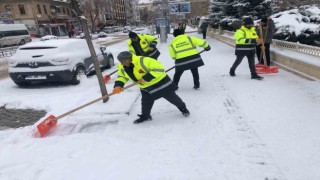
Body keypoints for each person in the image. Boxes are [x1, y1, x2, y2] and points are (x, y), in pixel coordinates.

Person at [112, 51, 190, 124]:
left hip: (160, 83)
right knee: (146, 102)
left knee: (172, 98)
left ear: (128, 59)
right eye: (121, 62)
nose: (122, 63)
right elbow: (122, 76)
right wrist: (118, 85)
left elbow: (159, 69)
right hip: (146, 87)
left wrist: (145, 78)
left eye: (123, 62)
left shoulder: (144, 60)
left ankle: (183, 109)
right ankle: (146, 116)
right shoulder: (122, 67)